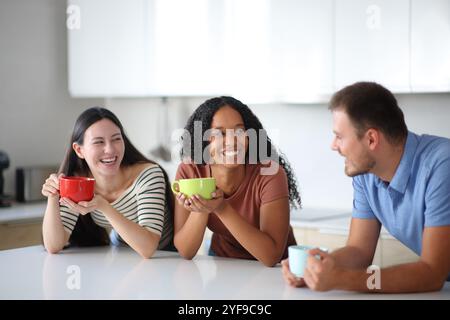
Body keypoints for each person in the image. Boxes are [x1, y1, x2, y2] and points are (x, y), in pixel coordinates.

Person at [282, 82, 450, 293]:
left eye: (339, 136)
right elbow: (359, 251)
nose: (333, 145)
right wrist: (317, 267)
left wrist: (341, 279)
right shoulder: (367, 174)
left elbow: (432, 273)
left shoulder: (442, 165)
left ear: (371, 138)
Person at [173, 96, 302, 267]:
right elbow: (185, 251)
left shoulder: (270, 173)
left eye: (240, 131)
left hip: (278, 269)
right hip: (224, 261)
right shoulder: (190, 171)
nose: (232, 141)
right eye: (219, 133)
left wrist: (221, 208)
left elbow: (271, 256)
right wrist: (202, 208)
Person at [42, 107, 174, 258]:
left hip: (166, 256)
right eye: (99, 142)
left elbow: (148, 248)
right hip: (121, 254)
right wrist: (53, 197)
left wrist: (104, 206)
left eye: (116, 139)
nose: (110, 149)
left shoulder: (148, 174)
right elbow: (53, 246)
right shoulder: (79, 182)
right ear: (79, 150)